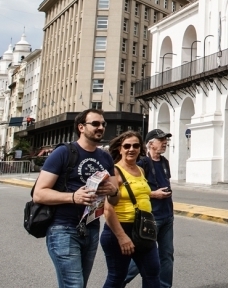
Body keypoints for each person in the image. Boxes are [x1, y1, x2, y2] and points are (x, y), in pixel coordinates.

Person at [34, 108, 118, 288]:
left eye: (103, 124)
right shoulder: (64, 152)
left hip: (91, 228)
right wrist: (73, 197)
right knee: (74, 285)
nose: (101, 127)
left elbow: (114, 199)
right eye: (95, 124)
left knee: (79, 284)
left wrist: (113, 191)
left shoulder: (106, 157)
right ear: (81, 127)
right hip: (62, 228)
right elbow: (39, 193)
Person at [101, 131, 161, 288]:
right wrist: (122, 237)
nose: (131, 149)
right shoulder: (114, 172)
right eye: (127, 146)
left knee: (153, 273)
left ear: (140, 148)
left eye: (135, 146)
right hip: (119, 230)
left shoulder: (140, 170)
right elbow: (108, 210)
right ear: (120, 149)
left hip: (142, 229)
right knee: (117, 277)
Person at [124, 129, 174, 288]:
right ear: (151, 144)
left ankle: (164, 286)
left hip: (167, 215)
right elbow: (135, 190)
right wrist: (154, 194)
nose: (165, 142)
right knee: (142, 255)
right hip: (151, 217)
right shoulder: (142, 164)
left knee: (166, 255)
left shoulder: (165, 162)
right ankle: (117, 281)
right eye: (161, 140)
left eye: (166, 139)